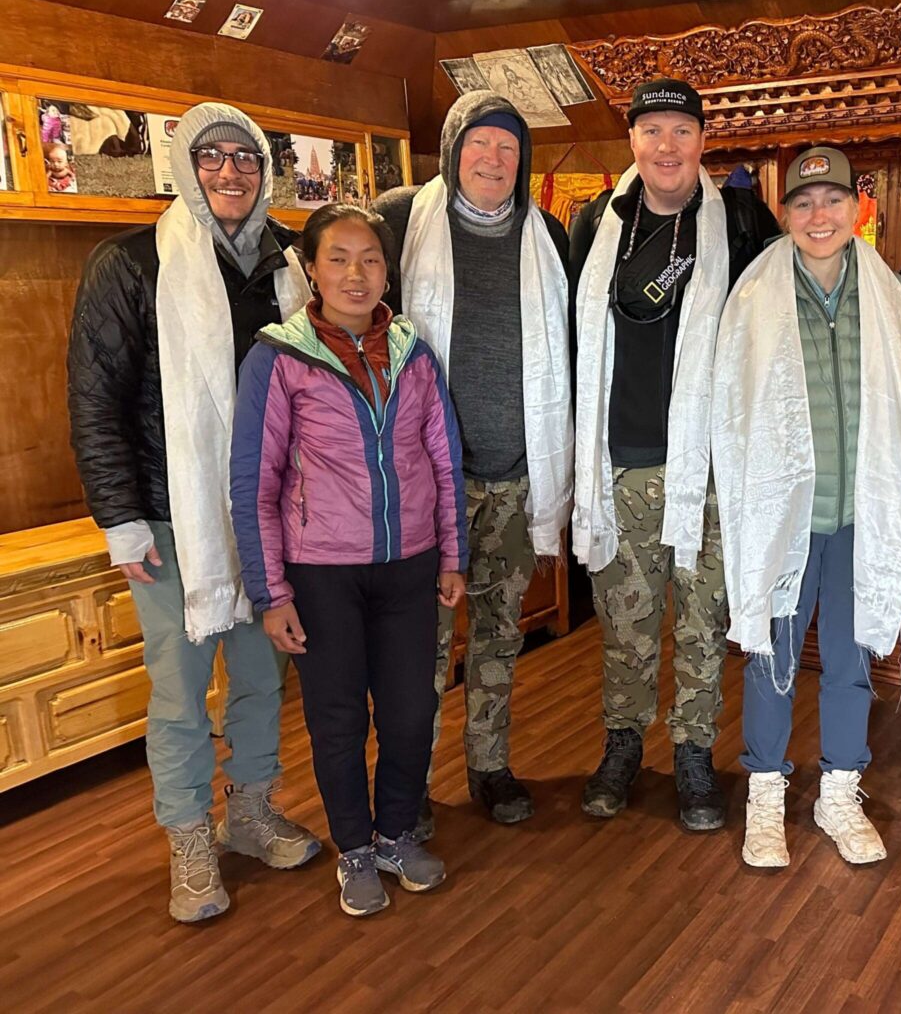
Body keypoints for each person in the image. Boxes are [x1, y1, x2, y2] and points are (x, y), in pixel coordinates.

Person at [66, 102, 321, 923]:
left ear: (265, 170)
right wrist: (120, 519)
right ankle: (189, 837)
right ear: (184, 166)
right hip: (170, 520)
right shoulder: (132, 264)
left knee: (258, 677)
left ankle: (247, 811)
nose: (230, 172)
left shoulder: (290, 264)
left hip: (266, 515)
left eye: (245, 158)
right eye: (211, 157)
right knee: (179, 693)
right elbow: (95, 401)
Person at [231, 203, 467, 917]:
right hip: (321, 572)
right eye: (338, 257)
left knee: (408, 712)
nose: (355, 273)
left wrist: (452, 553)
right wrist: (272, 593)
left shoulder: (412, 351)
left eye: (369, 258)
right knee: (337, 720)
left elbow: (443, 457)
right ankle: (355, 850)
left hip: (409, 565)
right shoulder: (278, 356)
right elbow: (255, 481)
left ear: (387, 269)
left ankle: (395, 833)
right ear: (310, 268)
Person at [712, 147, 901, 867]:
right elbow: (730, 403)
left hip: (859, 514)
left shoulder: (889, 294)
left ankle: (840, 789)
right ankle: (766, 796)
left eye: (833, 201)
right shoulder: (753, 294)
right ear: (785, 215)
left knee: (850, 658)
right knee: (771, 657)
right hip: (787, 516)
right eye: (805, 204)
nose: (820, 215)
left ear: (856, 209)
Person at [569, 78, 779, 830]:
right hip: (622, 459)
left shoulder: (743, 223)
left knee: (700, 623)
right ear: (632, 141)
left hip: (712, 465)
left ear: (702, 140)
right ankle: (623, 743)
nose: (666, 146)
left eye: (681, 131)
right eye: (651, 130)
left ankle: (693, 751)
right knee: (624, 624)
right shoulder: (597, 223)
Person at [375, 92, 571, 831]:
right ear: (453, 148)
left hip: (516, 473)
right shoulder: (402, 221)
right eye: (479, 144)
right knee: (419, 645)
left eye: (508, 148)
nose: (492, 159)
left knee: (498, 632)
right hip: (429, 483)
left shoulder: (545, 236)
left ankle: (489, 764)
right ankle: (410, 782)